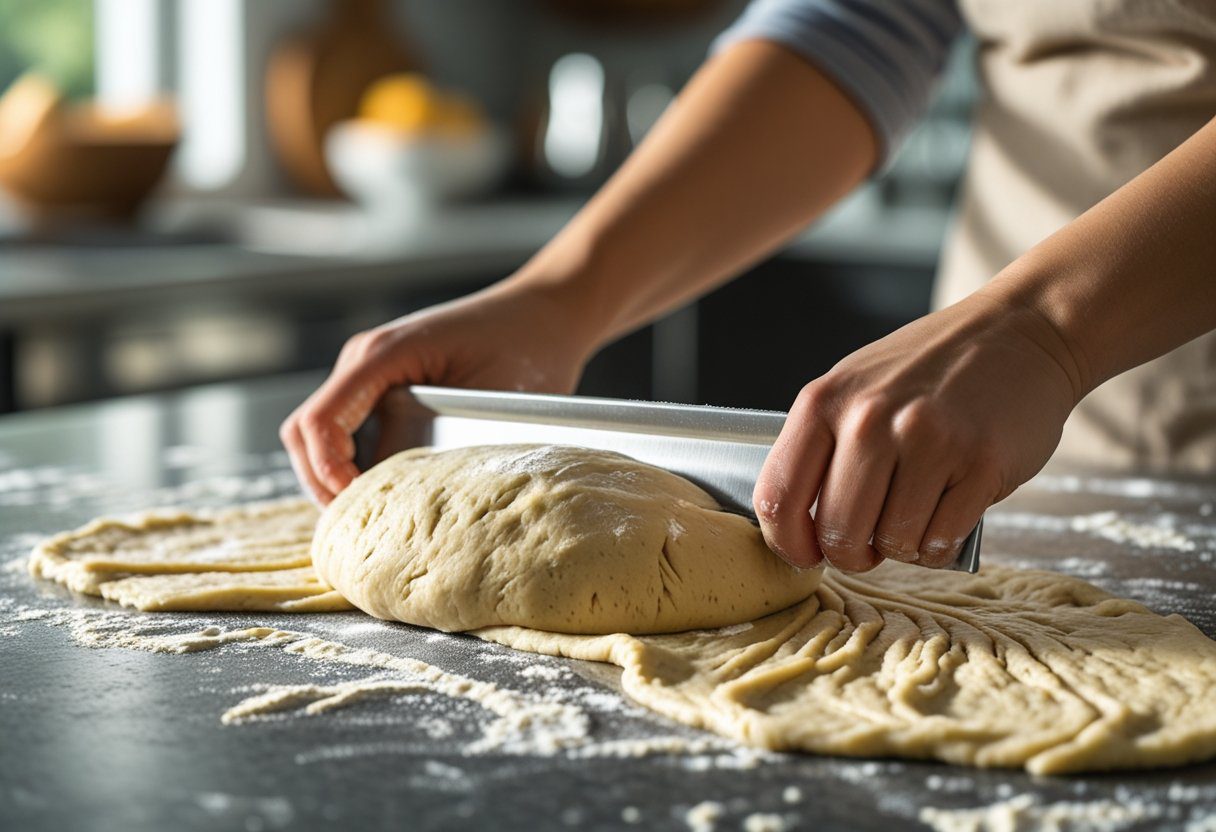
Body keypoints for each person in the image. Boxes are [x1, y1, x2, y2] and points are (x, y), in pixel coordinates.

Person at [282, 0, 1216, 574]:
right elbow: (853, 24)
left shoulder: (1036, 331)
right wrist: (564, 296)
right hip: (990, 462)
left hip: (1040, 351)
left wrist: (1046, 327)